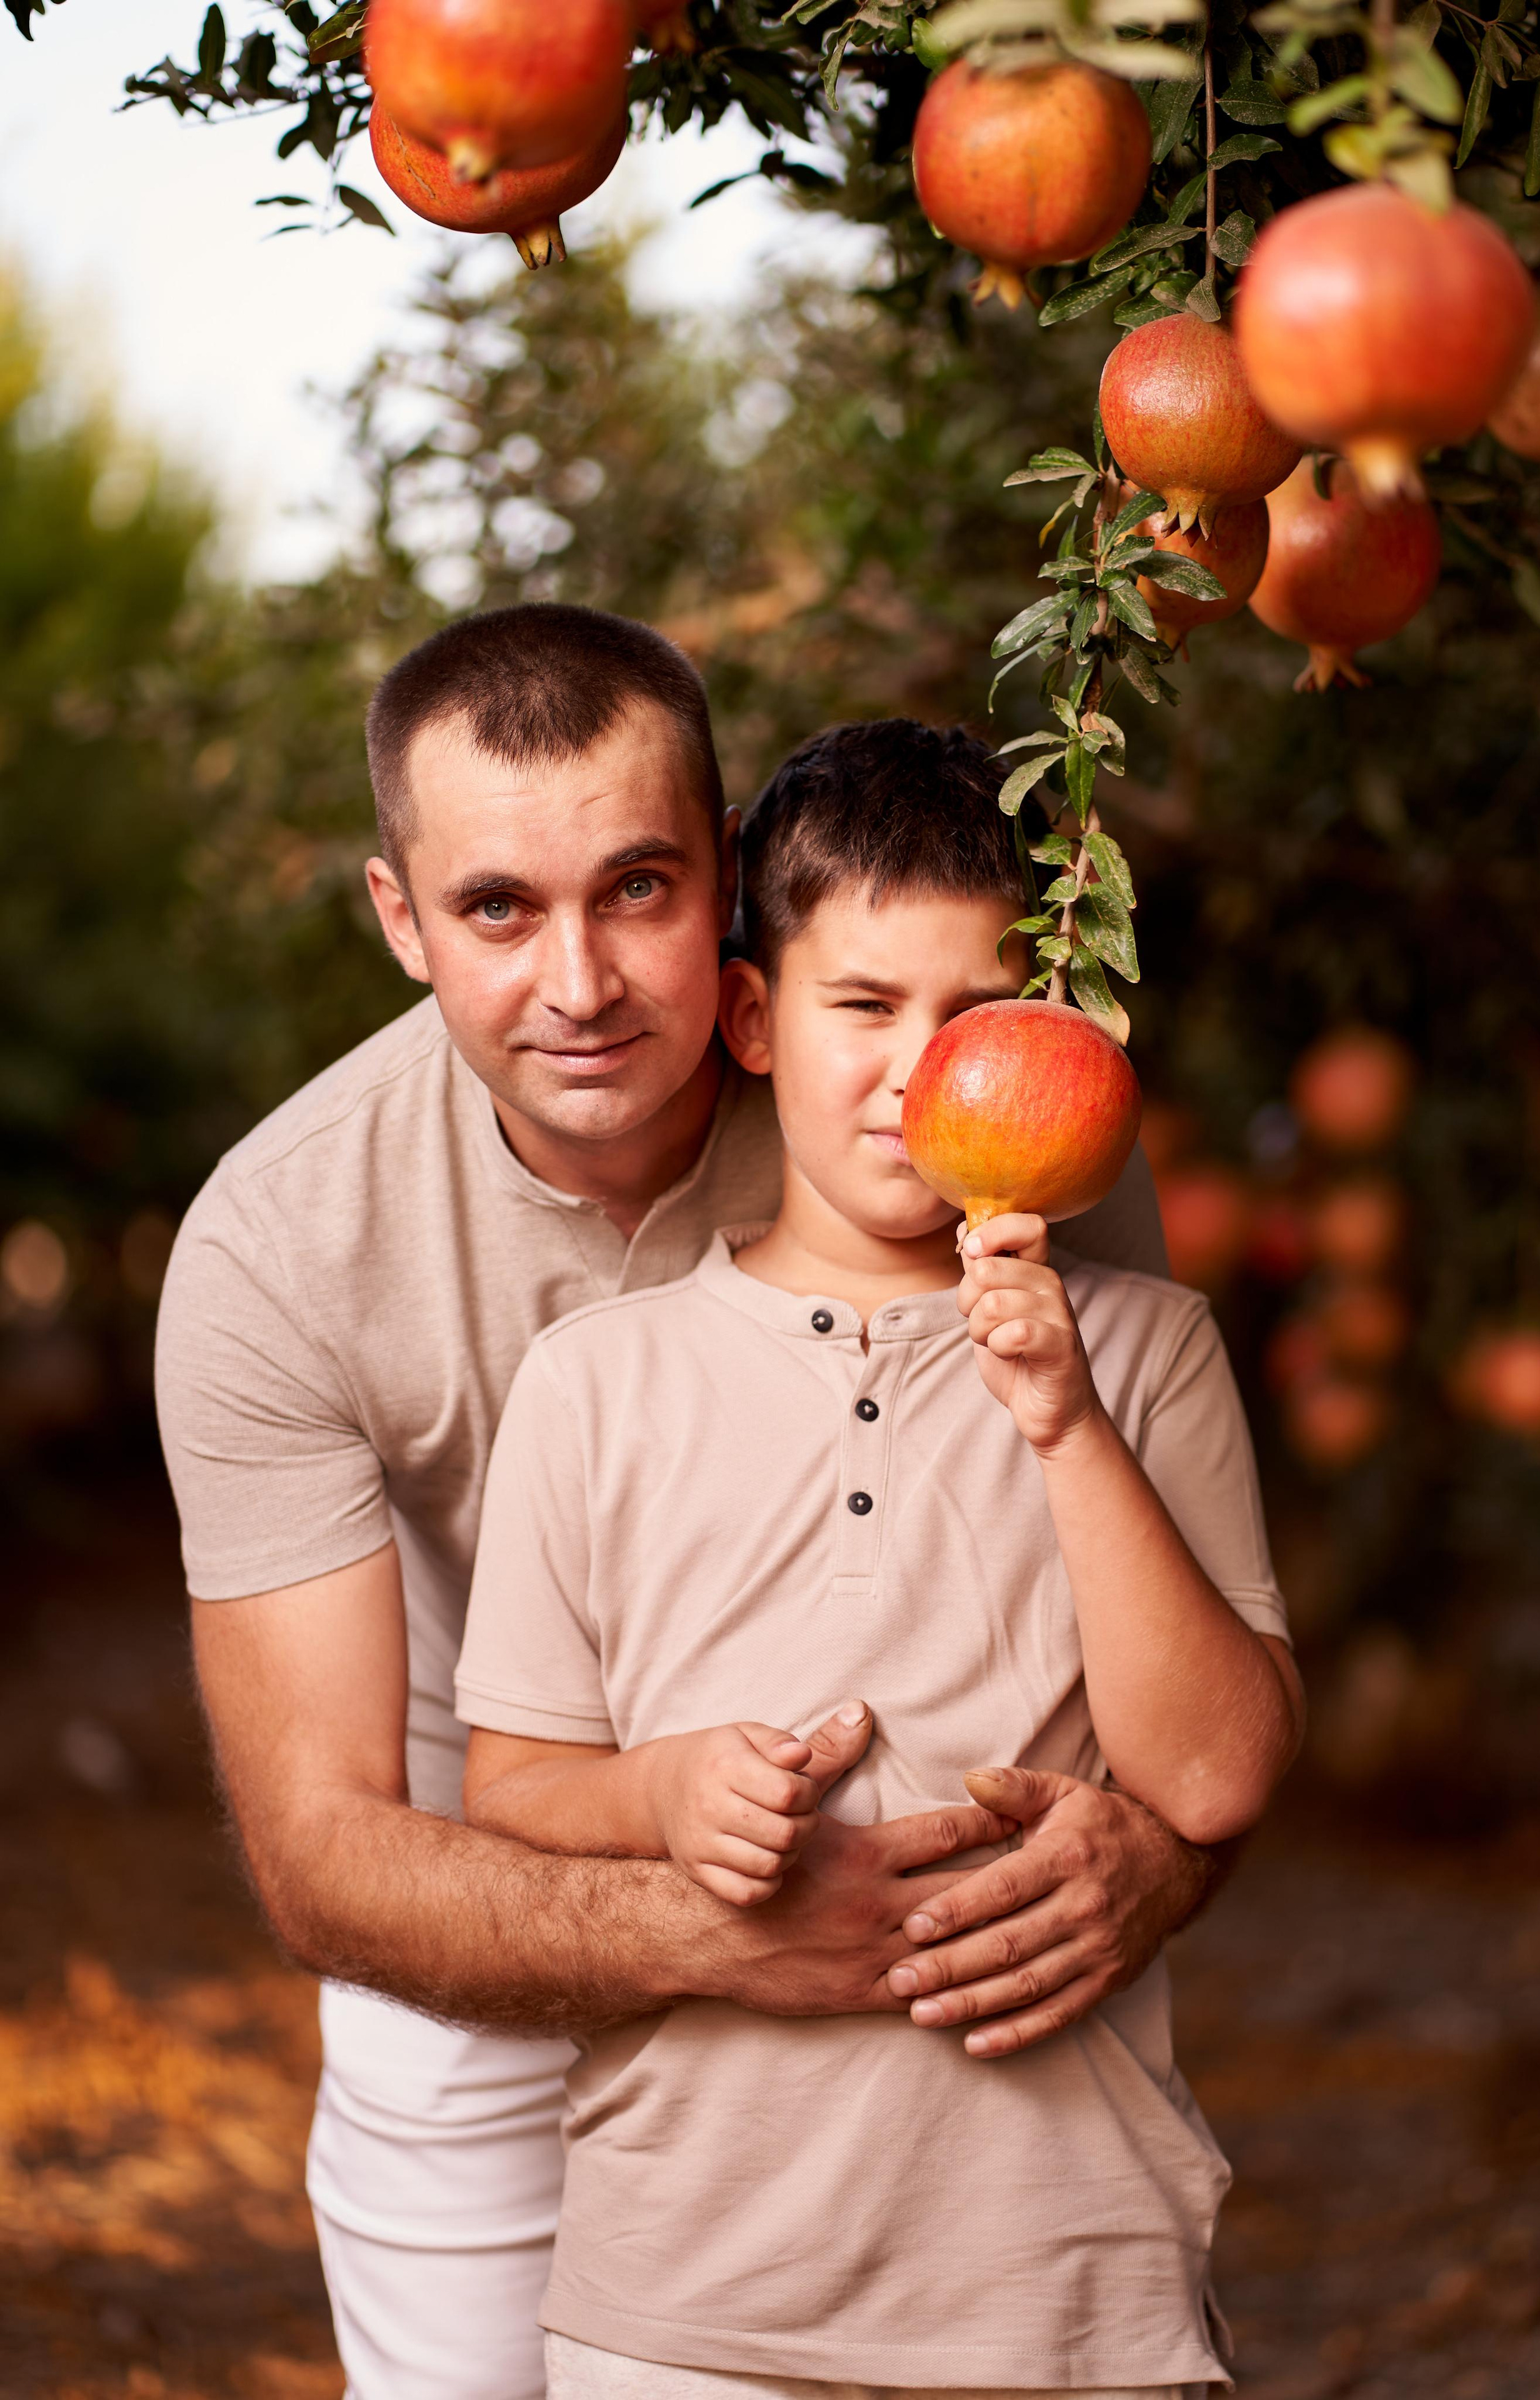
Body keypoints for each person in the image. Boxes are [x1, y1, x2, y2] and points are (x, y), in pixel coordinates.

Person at [155, 608, 1221, 2400]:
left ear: (725, 876)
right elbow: (326, 1851)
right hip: (485, 1861)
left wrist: (1162, 1863)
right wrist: (728, 1934)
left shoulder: (962, 1104)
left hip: (935, 1912)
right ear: (402, 921)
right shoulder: (278, 1250)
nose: (578, 982)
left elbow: (1174, 1608)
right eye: (497, 908)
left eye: (637, 889)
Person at [455, 717, 1304, 2399]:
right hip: (684, 2307)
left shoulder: (1146, 1356)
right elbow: (516, 1786)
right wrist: (664, 1793)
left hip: (1066, 2296)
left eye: (980, 1014)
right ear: (753, 1020)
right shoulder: (594, 1385)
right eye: (864, 1006)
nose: (926, 1071)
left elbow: (1215, 1778)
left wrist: (1063, 1420)